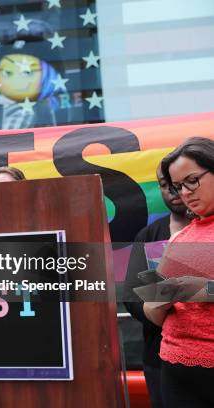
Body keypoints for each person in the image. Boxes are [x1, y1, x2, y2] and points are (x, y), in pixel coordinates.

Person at [144, 137, 214, 407]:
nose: (184, 192)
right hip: (175, 368)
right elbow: (151, 310)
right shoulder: (181, 238)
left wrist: (195, 288)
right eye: (177, 186)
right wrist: (160, 301)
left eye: (192, 180)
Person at [123, 164, 190, 408]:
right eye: (164, 185)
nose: (172, 190)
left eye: (179, 182)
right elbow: (131, 295)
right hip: (159, 356)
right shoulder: (148, 235)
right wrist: (159, 311)